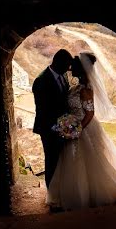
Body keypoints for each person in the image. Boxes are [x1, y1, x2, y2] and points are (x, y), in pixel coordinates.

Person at [47, 52, 116, 211]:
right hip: (73, 125)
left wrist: (76, 130)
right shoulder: (76, 86)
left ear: (80, 70)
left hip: (84, 128)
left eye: (73, 66)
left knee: (87, 164)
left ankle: (88, 195)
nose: (70, 68)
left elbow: (89, 114)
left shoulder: (86, 89)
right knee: (72, 163)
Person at [32, 49, 73, 189]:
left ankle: (62, 190)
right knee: (51, 160)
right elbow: (43, 111)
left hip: (63, 126)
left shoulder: (63, 75)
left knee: (63, 160)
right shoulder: (41, 81)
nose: (69, 70)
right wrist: (58, 129)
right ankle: (51, 193)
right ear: (57, 63)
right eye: (67, 66)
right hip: (48, 129)